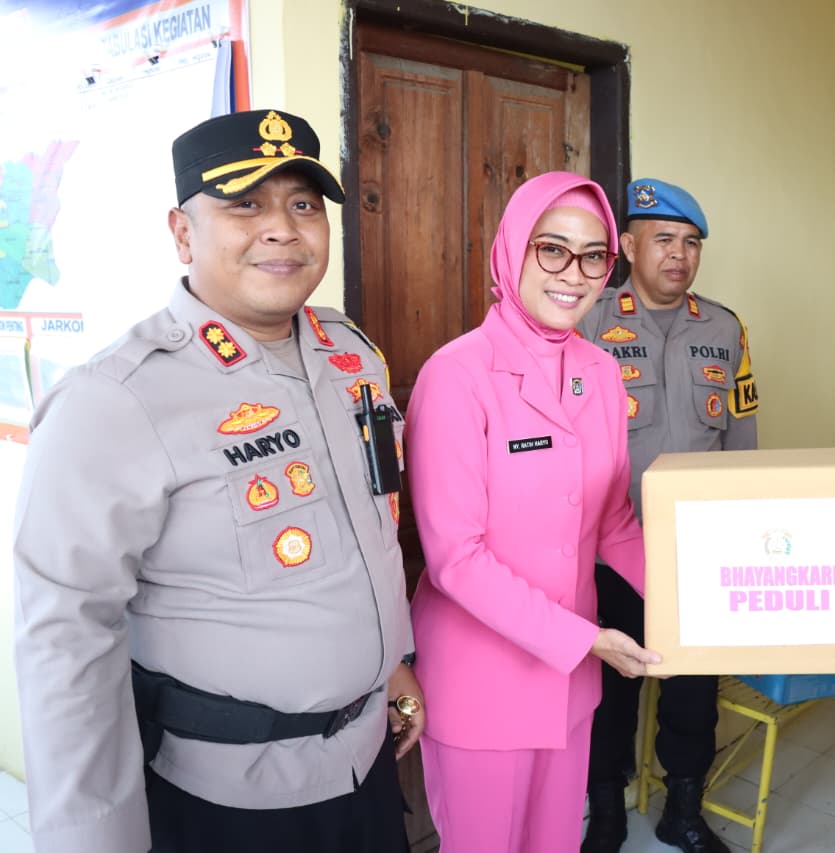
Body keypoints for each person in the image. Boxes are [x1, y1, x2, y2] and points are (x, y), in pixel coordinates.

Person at [13, 109, 423, 853]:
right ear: (182, 233)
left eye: (304, 204)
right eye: (245, 204)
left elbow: (367, 537)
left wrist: (390, 664)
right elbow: (66, 641)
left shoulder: (351, 353)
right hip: (227, 803)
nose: (283, 229)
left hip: (367, 763)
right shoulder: (116, 399)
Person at [404, 170, 661, 853]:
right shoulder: (457, 375)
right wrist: (587, 640)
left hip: (570, 684)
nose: (573, 274)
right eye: (552, 249)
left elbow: (612, 522)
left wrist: (694, 599)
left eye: (594, 255)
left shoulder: (601, 372)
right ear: (512, 249)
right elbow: (456, 558)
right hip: (480, 680)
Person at [578, 178, 758, 853]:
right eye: (663, 240)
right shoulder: (589, 321)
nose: (679, 256)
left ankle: (683, 808)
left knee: (692, 688)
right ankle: (606, 812)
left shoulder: (726, 327)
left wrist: (741, 533)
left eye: (690, 243)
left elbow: (741, 437)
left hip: (698, 549)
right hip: (606, 551)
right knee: (608, 687)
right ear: (628, 247)